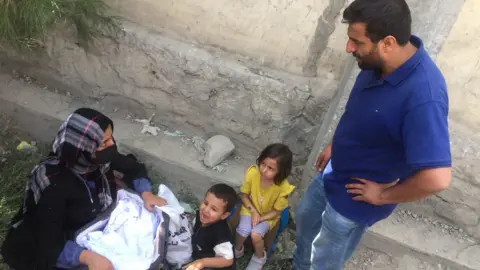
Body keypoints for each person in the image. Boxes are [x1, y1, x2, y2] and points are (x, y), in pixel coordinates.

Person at [292, 0, 452, 269]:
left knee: (324, 258)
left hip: (355, 200)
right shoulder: (375, 64)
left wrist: (382, 196)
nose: (349, 48)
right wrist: (334, 143)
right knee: (305, 223)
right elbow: (361, 111)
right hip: (333, 171)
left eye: (356, 42)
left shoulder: (424, 97)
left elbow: (437, 178)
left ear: (387, 43)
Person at [1, 108, 168, 270]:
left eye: (111, 138)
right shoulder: (52, 184)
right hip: (57, 242)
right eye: (104, 143)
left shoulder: (98, 161)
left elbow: (133, 168)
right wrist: (86, 256)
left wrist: (146, 192)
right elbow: (47, 241)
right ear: (83, 147)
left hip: (94, 228)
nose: (112, 145)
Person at [234, 143, 295, 270]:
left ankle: (259, 257)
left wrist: (261, 219)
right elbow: (244, 195)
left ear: (281, 172)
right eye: (263, 164)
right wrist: (254, 212)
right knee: (243, 230)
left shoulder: (283, 188)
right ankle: (237, 249)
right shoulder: (253, 173)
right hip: (250, 208)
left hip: (269, 216)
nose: (264, 170)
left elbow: (277, 212)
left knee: (256, 234)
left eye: (271, 169)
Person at [185, 183, 238, 270]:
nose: (206, 210)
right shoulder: (200, 216)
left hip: (214, 265)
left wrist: (202, 262)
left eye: (214, 209)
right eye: (206, 203)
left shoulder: (221, 235)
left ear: (224, 215)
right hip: (200, 254)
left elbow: (228, 260)